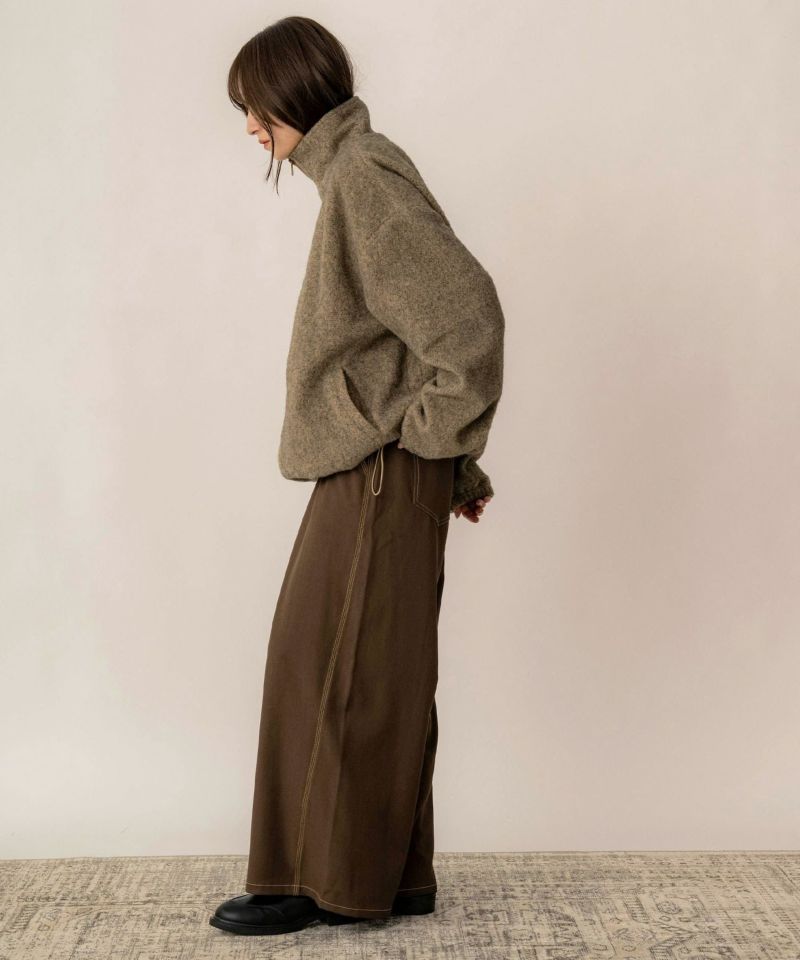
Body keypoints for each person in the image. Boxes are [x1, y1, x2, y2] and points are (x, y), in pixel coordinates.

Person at [210, 15, 505, 938]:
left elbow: (467, 321)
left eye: (256, 107)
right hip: (382, 468)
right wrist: (450, 460)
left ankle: (318, 882)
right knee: (373, 672)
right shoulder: (352, 174)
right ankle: (390, 875)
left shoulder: (363, 177)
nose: (250, 127)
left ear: (293, 94)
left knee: (330, 669)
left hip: (378, 470)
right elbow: (412, 343)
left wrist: (430, 445)